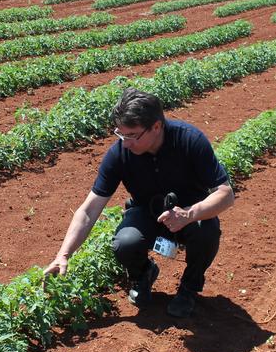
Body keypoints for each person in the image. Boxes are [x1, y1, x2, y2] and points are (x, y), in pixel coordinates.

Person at [44, 87, 234, 317]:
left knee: (207, 231)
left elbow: (225, 193)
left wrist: (189, 214)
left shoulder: (189, 140)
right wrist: (63, 255)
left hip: (190, 213)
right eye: (120, 134)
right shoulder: (119, 154)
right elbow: (89, 209)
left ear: (156, 126)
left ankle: (189, 288)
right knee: (125, 242)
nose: (125, 143)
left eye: (132, 135)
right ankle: (143, 274)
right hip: (148, 212)